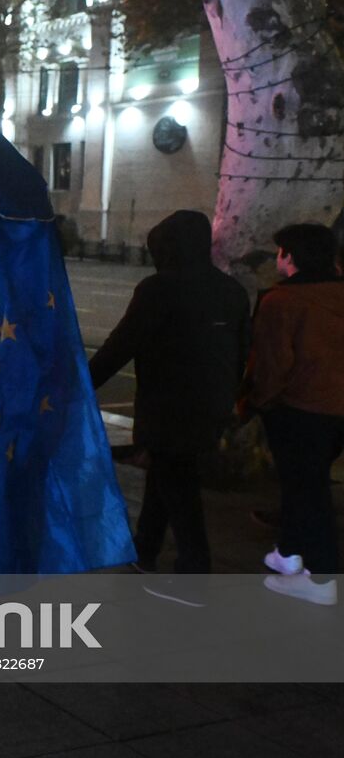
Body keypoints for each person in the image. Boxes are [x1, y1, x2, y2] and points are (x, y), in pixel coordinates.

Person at [87, 210, 250, 574]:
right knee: (167, 473)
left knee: (178, 484)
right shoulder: (232, 290)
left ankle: (195, 566)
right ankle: (144, 549)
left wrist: (81, 386)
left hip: (168, 404)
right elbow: (241, 350)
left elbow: (120, 346)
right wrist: (228, 396)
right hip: (212, 403)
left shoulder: (159, 289)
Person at [245, 223, 344, 606]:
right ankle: (288, 555)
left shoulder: (281, 302)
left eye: (281, 253)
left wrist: (257, 402)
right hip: (336, 410)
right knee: (310, 482)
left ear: (291, 257)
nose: (278, 260)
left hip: (300, 409)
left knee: (307, 491)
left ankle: (319, 578)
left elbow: (272, 366)